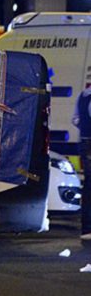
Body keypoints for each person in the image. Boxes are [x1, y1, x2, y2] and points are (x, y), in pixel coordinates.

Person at [73, 86, 91, 241]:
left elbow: (75, 119)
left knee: (89, 184)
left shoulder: (83, 96)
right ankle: (87, 227)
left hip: (85, 141)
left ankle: (87, 228)